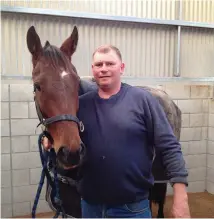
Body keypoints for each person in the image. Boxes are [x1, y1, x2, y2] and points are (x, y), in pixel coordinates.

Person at [43, 45, 190, 218]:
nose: (104, 69)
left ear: (121, 67)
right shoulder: (80, 105)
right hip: (90, 207)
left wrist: (181, 197)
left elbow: (169, 147)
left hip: (131, 209)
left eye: (110, 63)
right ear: (93, 70)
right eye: (99, 65)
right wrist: (51, 137)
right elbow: (67, 130)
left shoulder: (143, 101)